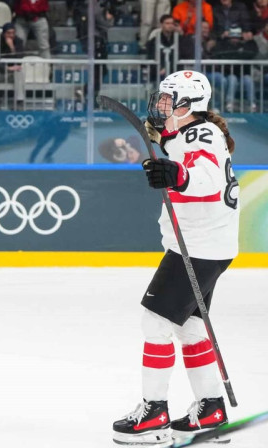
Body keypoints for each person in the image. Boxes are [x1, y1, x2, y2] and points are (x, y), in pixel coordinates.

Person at [112, 71, 239, 445]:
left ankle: (154, 412)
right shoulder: (184, 132)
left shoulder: (202, 133)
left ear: (189, 106)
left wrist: (177, 175)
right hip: (206, 246)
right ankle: (211, 407)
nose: (162, 105)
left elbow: (208, 178)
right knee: (191, 328)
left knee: (155, 322)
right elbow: (178, 152)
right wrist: (167, 153)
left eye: (170, 100)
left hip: (198, 247)